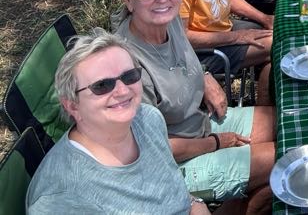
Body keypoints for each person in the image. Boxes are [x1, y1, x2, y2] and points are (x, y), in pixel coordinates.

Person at [115, 0, 276, 213]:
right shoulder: (126, 66)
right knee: (285, 160)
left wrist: (205, 75)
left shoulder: (170, 22)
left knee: (288, 130)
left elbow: (186, 57)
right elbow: (151, 148)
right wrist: (215, 143)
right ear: (129, 0)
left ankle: (248, 196)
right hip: (173, 164)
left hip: (200, 121)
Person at [26, 29, 207, 214]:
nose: (122, 91)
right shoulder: (63, 196)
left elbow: (173, 186)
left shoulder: (148, 119)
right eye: (102, 85)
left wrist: (195, 203)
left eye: (129, 76)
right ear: (73, 106)